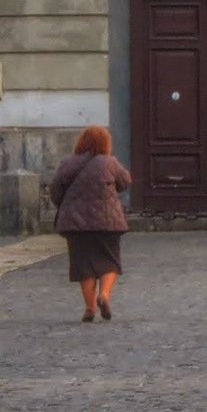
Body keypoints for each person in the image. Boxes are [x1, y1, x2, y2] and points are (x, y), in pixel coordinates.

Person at [49, 126, 133, 323]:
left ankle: (89, 308)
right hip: (107, 222)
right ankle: (104, 295)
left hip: (76, 223)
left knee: (83, 265)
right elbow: (125, 181)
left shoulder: (68, 164)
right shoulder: (110, 163)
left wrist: (65, 204)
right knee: (110, 261)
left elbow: (55, 190)